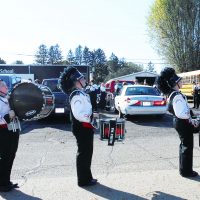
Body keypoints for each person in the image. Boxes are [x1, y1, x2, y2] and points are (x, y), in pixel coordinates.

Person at [59, 67, 98, 187]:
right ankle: (83, 180)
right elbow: (79, 114)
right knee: (83, 153)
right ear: (76, 81)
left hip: (85, 126)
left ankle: (87, 177)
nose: (85, 80)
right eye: (82, 78)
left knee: (87, 153)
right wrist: (91, 116)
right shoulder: (76, 95)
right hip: (81, 127)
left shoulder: (80, 93)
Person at [157, 67, 199, 177]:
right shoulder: (177, 96)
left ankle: (184, 170)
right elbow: (182, 113)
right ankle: (186, 171)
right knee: (187, 146)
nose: (181, 81)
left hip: (179, 122)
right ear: (175, 83)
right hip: (182, 122)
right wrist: (193, 118)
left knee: (184, 146)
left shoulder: (173, 94)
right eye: (179, 81)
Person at [0, 79, 20, 192]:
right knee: (4, 157)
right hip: (3, 133)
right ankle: (2, 184)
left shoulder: (6, 98)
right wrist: (8, 117)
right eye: (3, 85)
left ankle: (6, 181)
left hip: (12, 130)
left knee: (11, 156)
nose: (6, 87)